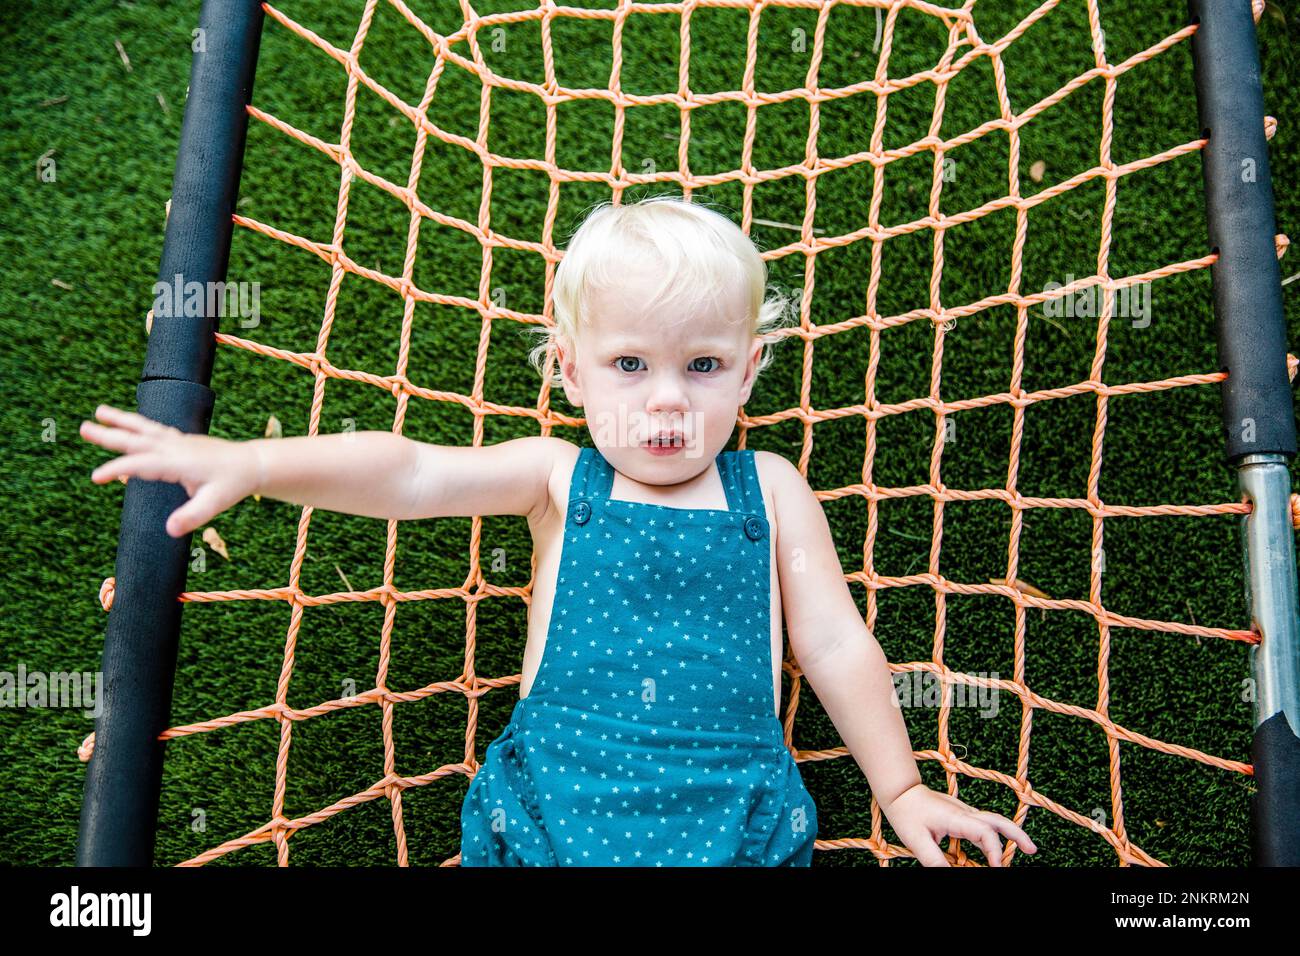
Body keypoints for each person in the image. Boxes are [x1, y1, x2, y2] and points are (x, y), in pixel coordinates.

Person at [81, 194, 1037, 867]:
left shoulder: (771, 489)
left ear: (748, 374)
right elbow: (411, 468)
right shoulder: (556, 475)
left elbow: (833, 642)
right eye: (630, 363)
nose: (667, 400)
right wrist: (258, 464)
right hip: (557, 801)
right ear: (572, 373)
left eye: (702, 365)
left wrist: (903, 790)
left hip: (731, 806)